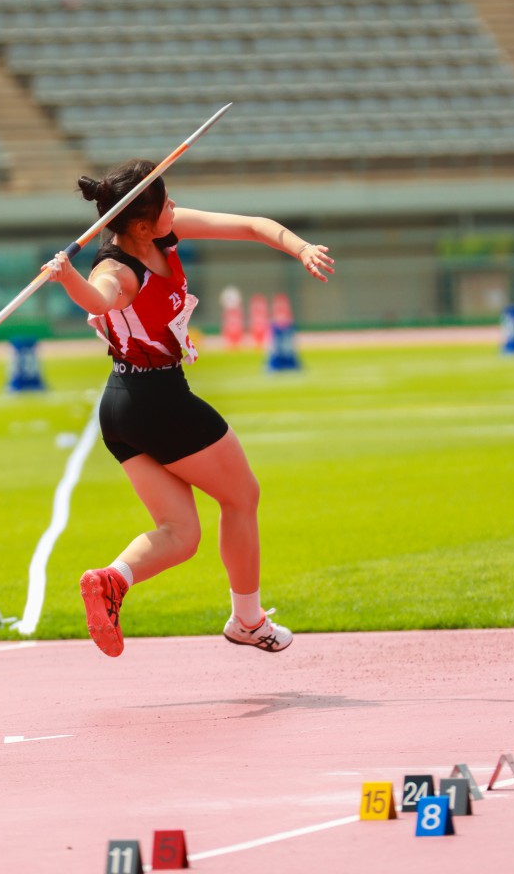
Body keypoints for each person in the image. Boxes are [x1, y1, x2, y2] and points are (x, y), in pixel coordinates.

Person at [45, 159, 334, 658]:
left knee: (180, 534)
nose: (175, 208)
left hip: (123, 408)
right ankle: (247, 619)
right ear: (139, 224)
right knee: (242, 496)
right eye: (166, 204)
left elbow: (250, 226)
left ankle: (111, 581)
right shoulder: (117, 269)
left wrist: (301, 247)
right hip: (158, 404)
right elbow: (98, 297)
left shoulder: (163, 232)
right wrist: (67, 275)